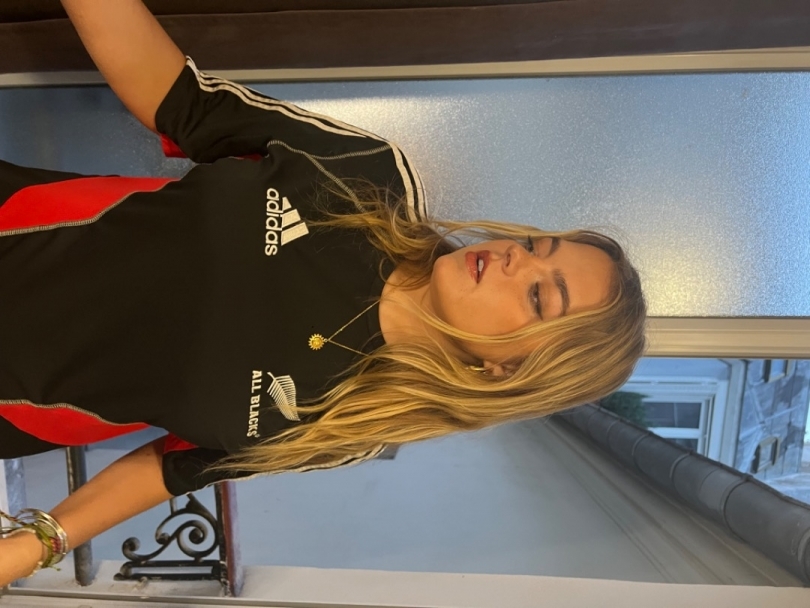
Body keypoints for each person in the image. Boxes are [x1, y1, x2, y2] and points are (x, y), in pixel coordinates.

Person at [0, 0, 646, 585]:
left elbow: (170, 468)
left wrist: (36, 545)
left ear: (507, 370)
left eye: (539, 296)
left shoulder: (349, 424)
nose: (513, 258)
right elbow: (180, 102)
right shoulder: (369, 177)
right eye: (535, 246)